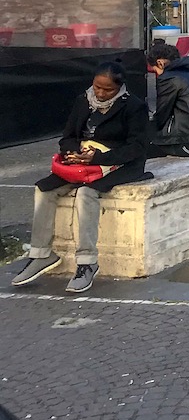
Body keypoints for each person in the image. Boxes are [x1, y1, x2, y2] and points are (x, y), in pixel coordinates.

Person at [11, 62, 150, 293]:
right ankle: (41, 254)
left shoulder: (134, 106)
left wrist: (98, 157)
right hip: (82, 162)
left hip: (119, 163)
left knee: (86, 193)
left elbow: (137, 147)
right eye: (97, 87)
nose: (100, 93)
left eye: (108, 90)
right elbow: (67, 137)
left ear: (120, 88)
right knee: (44, 190)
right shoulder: (83, 101)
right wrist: (74, 152)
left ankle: (87, 262)